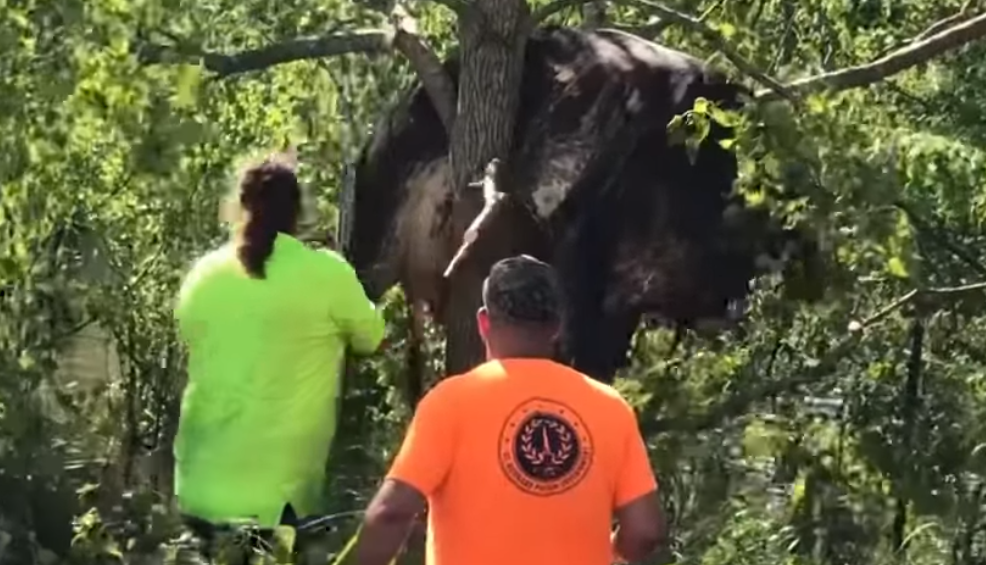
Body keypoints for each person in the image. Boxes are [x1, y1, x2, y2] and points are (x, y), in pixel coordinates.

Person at [354, 255, 666, 565]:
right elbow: (645, 531)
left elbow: (391, 513)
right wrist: (610, 551)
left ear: (484, 322)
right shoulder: (610, 406)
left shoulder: (451, 401)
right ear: (557, 326)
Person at [173, 153, 386, 538]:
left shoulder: (204, 275)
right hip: (283, 496)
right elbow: (373, 338)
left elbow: (191, 336)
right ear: (297, 212)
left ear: (240, 207)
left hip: (199, 486)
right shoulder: (327, 273)